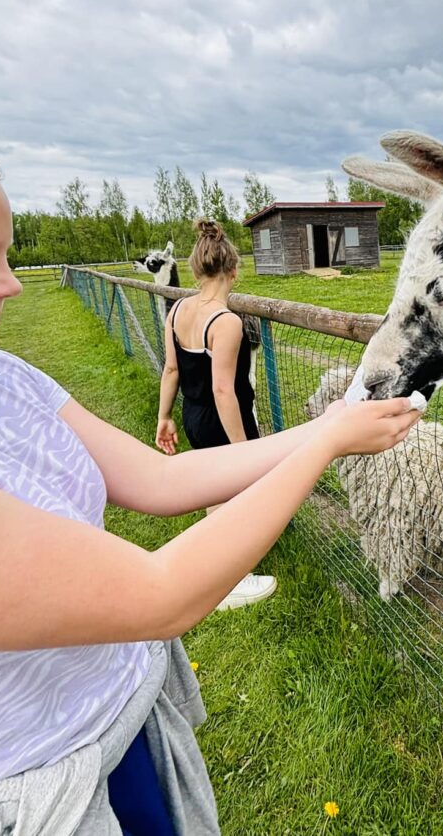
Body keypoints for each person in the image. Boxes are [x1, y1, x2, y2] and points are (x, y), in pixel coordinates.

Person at [0, 107, 421, 834]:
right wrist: (322, 448)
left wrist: (327, 425)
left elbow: (161, 481)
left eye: (8, 256)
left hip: (120, 727)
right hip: (24, 796)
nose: (10, 284)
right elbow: (161, 592)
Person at [155, 218, 273, 611]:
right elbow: (225, 390)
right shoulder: (226, 323)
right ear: (234, 270)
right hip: (222, 420)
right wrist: (243, 448)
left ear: (196, 269)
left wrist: (164, 417)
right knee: (232, 495)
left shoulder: (177, 313)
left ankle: (217, 566)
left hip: (192, 414)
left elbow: (171, 369)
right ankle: (231, 580)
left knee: (213, 490)